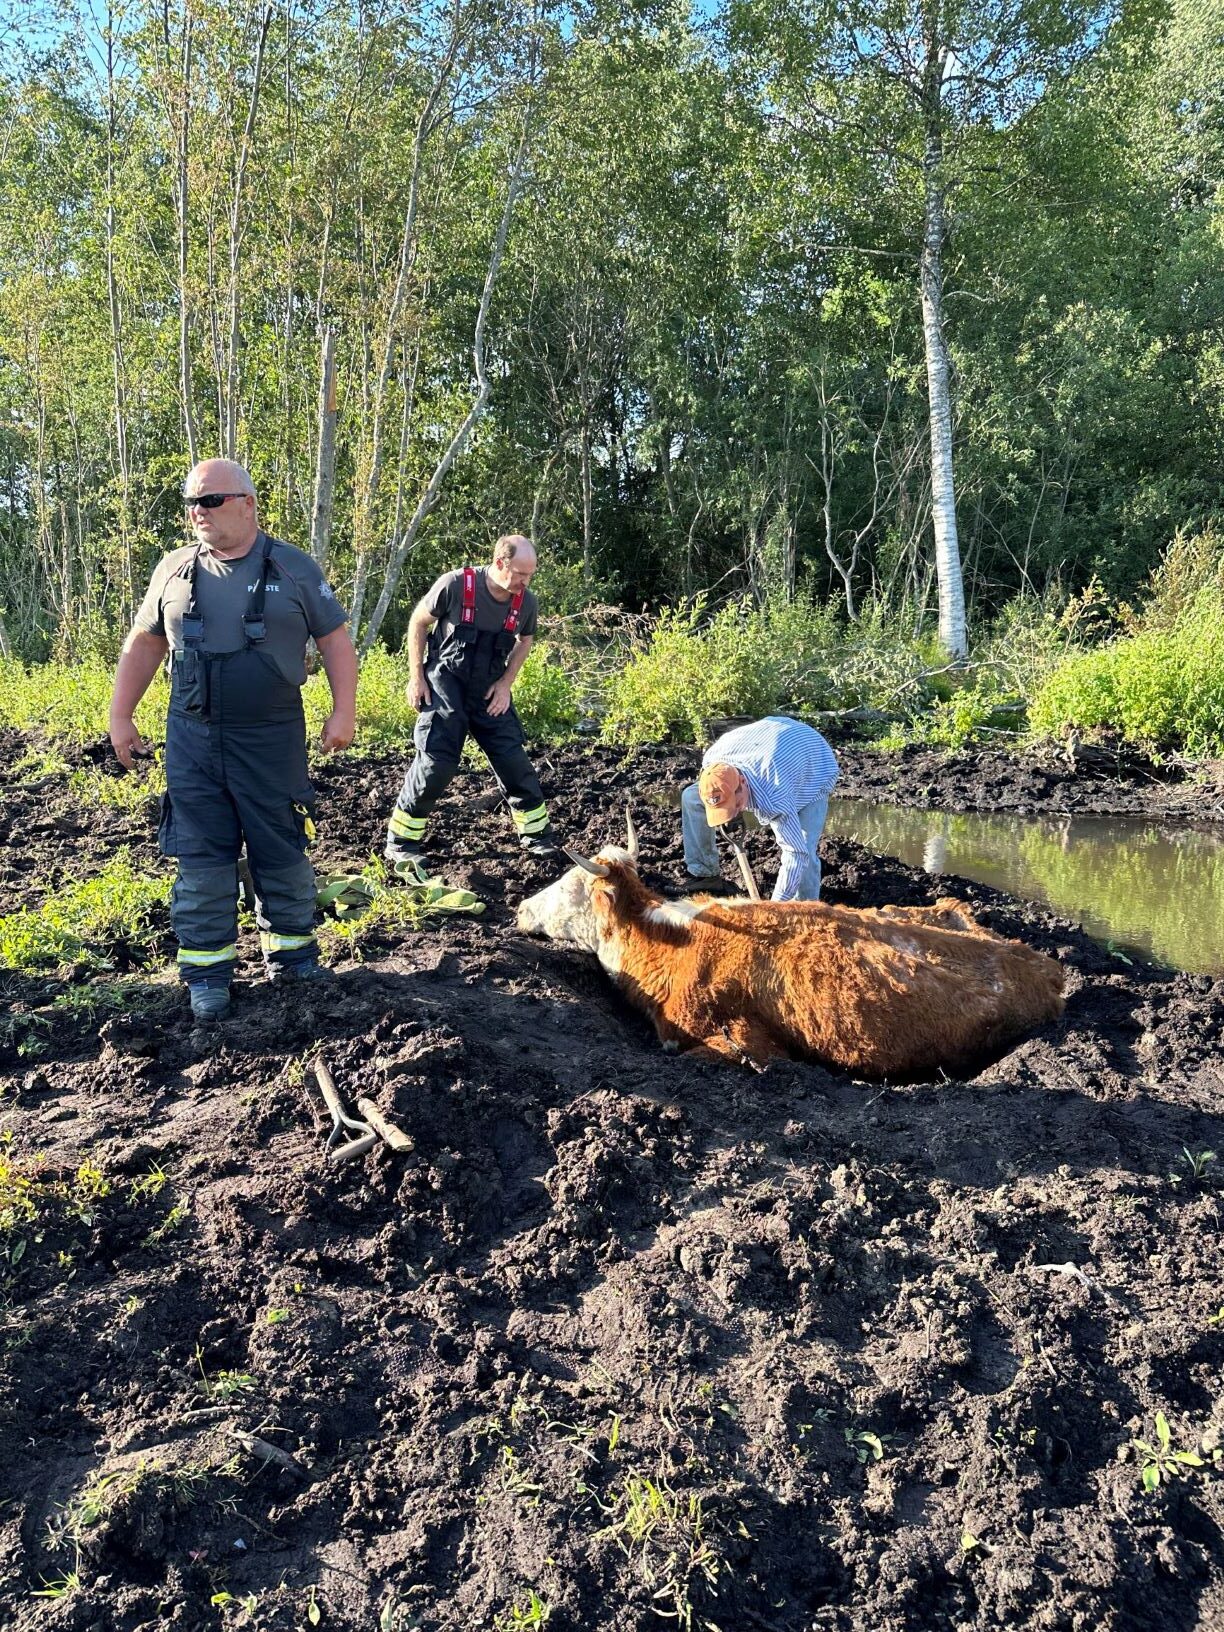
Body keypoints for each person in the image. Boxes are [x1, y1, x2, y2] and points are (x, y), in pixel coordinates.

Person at [108, 458, 357, 1022]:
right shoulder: (173, 570)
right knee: (200, 859)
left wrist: (344, 711)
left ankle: (293, 963)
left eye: (211, 501)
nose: (199, 512)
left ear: (246, 502)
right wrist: (121, 715)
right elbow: (144, 645)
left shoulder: (293, 567)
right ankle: (207, 978)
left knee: (280, 848)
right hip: (193, 740)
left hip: (270, 739)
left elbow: (336, 642)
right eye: (192, 502)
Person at [384, 533, 558, 866]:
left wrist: (507, 683)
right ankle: (402, 843)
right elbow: (418, 622)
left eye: (531, 574)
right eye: (521, 573)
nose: (526, 581)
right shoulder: (455, 585)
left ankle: (537, 836)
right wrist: (416, 677)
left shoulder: (526, 602)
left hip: (489, 690)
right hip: (445, 685)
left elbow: (525, 640)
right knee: (437, 762)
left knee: (513, 760)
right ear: (499, 563)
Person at [681, 715, 839, 901]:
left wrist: (773, 909)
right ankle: (705, 873)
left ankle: (806, 909)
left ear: (742, 782)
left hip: (813, 761)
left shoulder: (774, 795)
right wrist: (729, 810)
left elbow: (795, 854)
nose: (736, 810)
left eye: (736, 803)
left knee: (803, 848)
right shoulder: (713, 761)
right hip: (767, 742)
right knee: (691, 797)